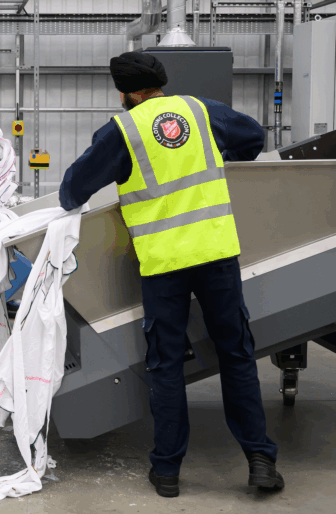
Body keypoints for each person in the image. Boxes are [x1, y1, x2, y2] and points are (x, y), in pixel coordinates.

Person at [58, 52, 283, 498]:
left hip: (164, 264)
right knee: (236, 357)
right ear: (160, 84)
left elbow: (71, 191)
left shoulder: (122, 132)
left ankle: (167, 471)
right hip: (216, 253)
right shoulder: (201, 111)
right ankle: (259, 460)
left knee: (166, 365)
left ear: (123, 93)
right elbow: (253, 137)